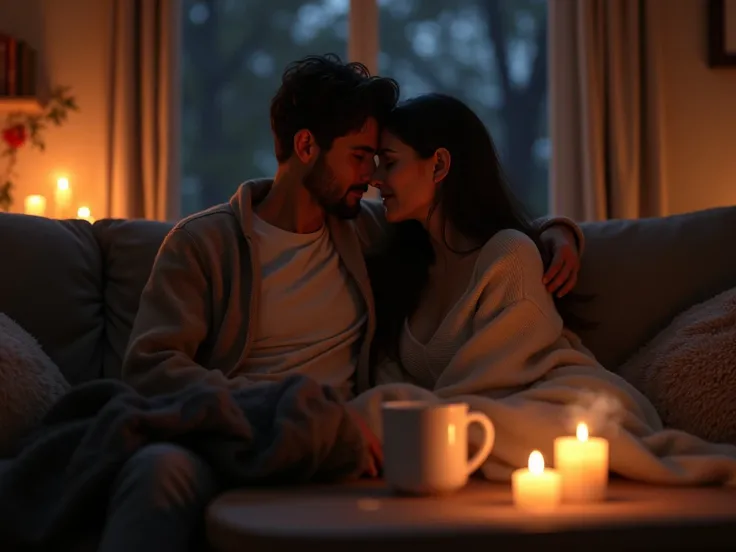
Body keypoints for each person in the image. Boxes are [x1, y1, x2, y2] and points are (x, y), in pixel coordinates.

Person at [103, 56, 583, 552]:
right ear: (306, 146)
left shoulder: (366, 231)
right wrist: (276, 411)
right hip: (233, 438)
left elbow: (465, 223)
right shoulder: (202, 244)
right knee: (156, 471)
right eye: (359, 156)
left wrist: (555, 233)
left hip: (341, 451)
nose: (372, 175)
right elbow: (151, 368)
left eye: (379, 159)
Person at [352, 93, 736, 486]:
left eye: (390, 163)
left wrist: (407, 416)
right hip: (479, 418)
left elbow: (496, 378)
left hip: (554, 400)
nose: (375, 178)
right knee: (419, 417)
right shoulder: (402, 266)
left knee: (545, 427)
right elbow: (390, 377)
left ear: (439, 165)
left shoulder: (508, 253)